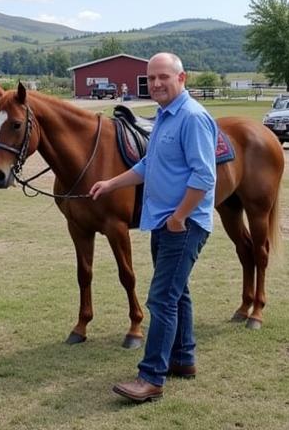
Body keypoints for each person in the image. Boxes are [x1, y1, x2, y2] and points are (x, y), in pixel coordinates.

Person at [90, 53, 217, 404]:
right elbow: (149, 164)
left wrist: (179, 218)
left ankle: (151, 377)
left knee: (161, 299)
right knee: (178, 293)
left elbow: (204, 176)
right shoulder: (164, 116)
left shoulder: (192, 118)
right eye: (151, 78)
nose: (157, 83)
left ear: (182, 78)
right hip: (163, 221)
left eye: (164, 77)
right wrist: (111, 184)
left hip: (183, 224)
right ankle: (183, 358)